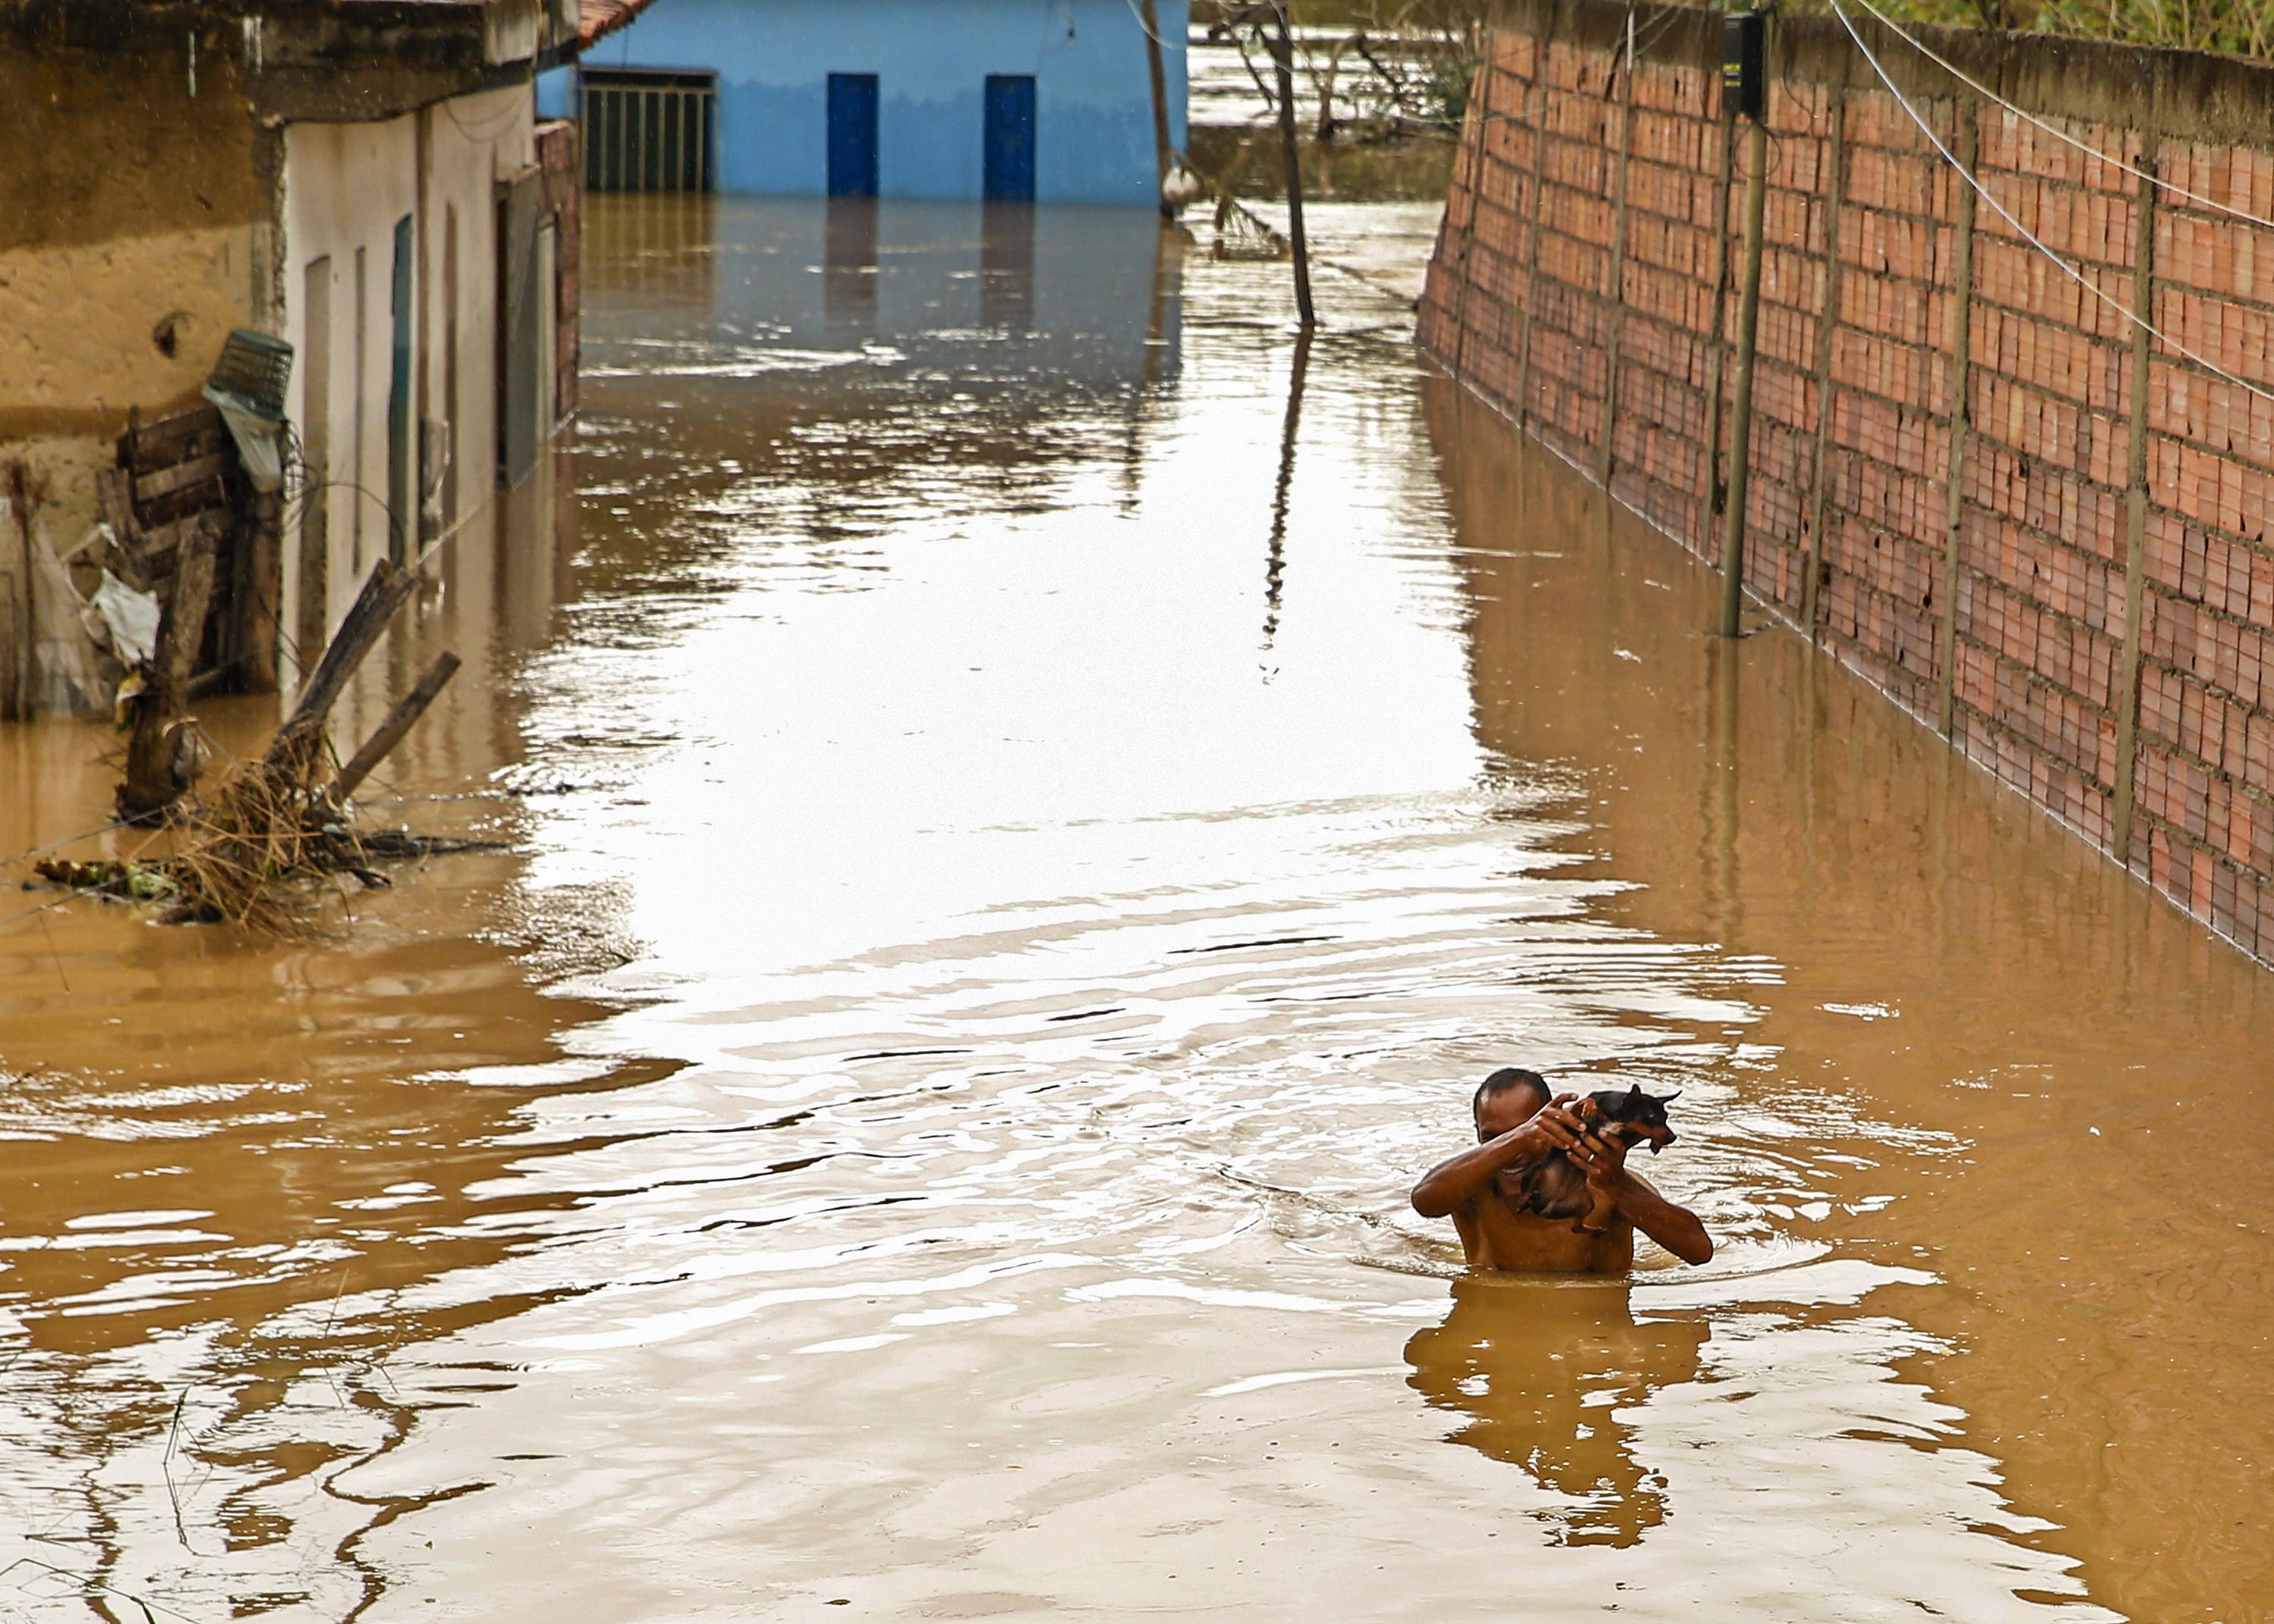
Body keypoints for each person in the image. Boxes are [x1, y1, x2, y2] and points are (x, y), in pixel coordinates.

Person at [1410, 1067, 1712, 1272]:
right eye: (1494, 1138)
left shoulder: (1604, 1185)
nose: (1515, 1156)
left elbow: (1699, 1252)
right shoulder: (1469, 1184)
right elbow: (1424, 1201)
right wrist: (1519, 1139)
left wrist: (1617, 1184)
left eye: (1530, 1133)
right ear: (1478, 1136)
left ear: (1559, 1125)